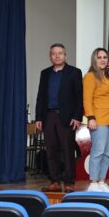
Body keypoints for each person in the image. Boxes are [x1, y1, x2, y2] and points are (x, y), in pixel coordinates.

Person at [35, 43, 83, 193]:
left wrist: (77, 116)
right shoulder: (45, 73)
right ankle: (54, 181)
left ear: (65, 55)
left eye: (60, 53)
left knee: (67, 150)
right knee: (51, 150)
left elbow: (79, 97)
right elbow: (41, 97)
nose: (57, 56)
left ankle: (69, 182)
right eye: (54, 53)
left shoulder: (74, 72)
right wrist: (38, 117)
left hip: (67, 117)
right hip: (48, 116)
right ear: (50, 57)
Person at [83, 47, 109, 193]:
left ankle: (102, 181)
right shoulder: (90, 76)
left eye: (105, 57)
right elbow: (87, 99)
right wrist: (90, 117)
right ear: (94, 60)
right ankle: (93, 182)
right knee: (98, 151)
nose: (103, 60)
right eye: (99, 57)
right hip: (99, 119)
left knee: (108, 153)